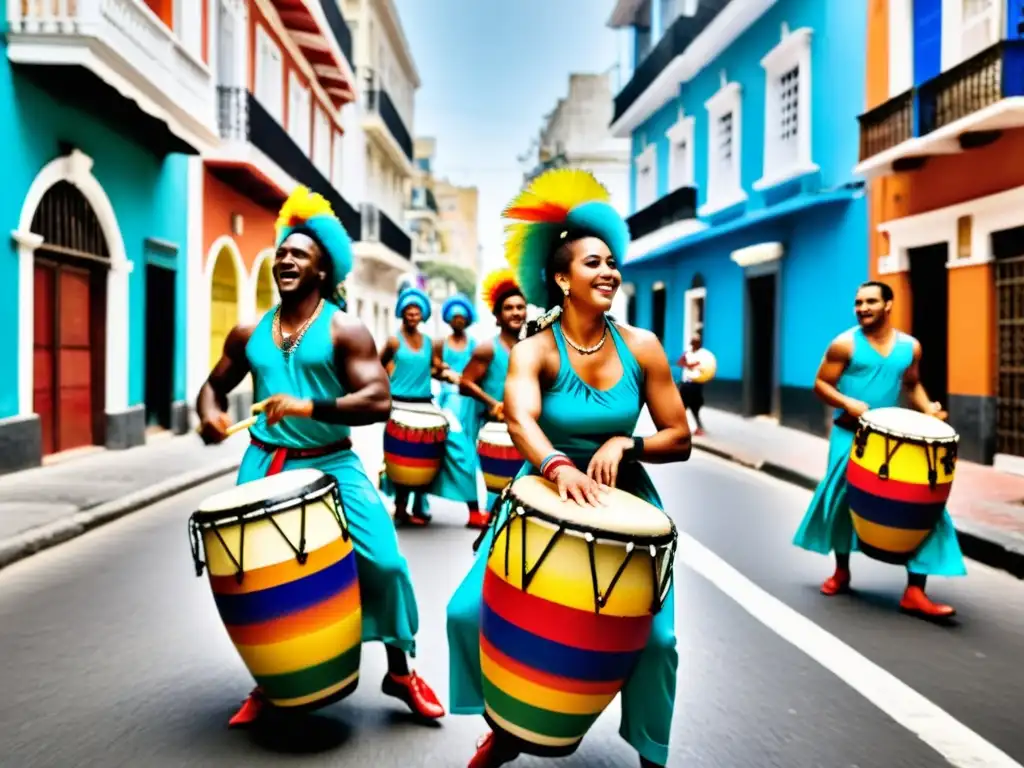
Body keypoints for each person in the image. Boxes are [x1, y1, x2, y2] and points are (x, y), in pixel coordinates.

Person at [446, 169, 692, 768]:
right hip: (541, 497)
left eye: (612, 261)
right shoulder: (533, 349)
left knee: (657, 642)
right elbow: (522, 420)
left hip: (626, 502)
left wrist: (626, 446)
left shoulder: (644, 346)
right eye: (592, 264)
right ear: (561, 278)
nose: (609, 271)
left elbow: (679, 436)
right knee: (467, 614)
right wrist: (557, 465)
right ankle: (506, 726)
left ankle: (651, 755)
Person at [195, 186, 444, 727]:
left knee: (385, 562)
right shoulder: (249, 332)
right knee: (260, 579)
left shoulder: (343, 328)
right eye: (282, 252)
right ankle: (270, 681)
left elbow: (378, 401)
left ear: (323, 272)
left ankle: (400, 670)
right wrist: (210, 417)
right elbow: (212, 388)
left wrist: (308, 403)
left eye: (299, 254)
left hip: (333, 465)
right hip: (264, 463)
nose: (285, 259)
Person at [792, 280, 966, 619]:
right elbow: (820, 384)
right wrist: (847, 403)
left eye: (870, 301)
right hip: (849, 436)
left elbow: (912, 385)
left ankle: (916, 590)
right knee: (842, 503)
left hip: (893, 439)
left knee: (925, 507)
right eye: (858, 302)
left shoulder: (910, 348)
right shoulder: (844, 345)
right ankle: (841, 571)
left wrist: (928, 407)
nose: (862, 308)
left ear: (888, 305)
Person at [380, 287, 484, 528]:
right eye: (408, 311)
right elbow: (374, 366)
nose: (413, 315)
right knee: (403, 460)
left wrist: (450, 375)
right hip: (398, 407)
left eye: (417, 312)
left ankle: (458, 507)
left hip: (425, 405)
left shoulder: (429, 342)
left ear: (423, 315)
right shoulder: (394, 341)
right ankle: (402, 508)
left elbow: (436, 369)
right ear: (401, 313)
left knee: (446, 451)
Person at [457, 268, 528, 512]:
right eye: (509, 308)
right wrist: (493, 403)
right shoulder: (487, 349)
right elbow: (464, 383)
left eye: (520, 307)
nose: (516, 312)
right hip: (495, 430)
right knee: (498, 497)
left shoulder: (531, 348)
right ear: (497, 316)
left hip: (525, 428)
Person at [436, 294, 478, 416]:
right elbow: (435, 369)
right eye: (455, 317)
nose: (458, 321)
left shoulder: (473, 344)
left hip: (468, 394)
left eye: (462, 318)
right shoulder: (441, 344)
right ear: (449, 319)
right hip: (447, 395)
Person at [676, 334, 705, 435]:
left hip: (697, 384)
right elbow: (679, 362)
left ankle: (698, 428)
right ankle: (680, 428)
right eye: (693, 343)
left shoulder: (702, 354)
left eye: (697, 343)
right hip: (687, 384)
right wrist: (688, 365)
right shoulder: (687, 353)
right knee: (681, 407)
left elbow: (706, 366)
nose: (694, 345)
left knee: (695, 407)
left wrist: (696, 365)